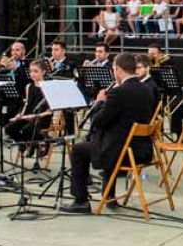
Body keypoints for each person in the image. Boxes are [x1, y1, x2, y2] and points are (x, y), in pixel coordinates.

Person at [61, 54, 155, 214]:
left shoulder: (119, 92)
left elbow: (98, 121)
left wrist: (100, 102)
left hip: (121, 150)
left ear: (118, 69)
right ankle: (109, 195)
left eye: (113, 69)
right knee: (102, 141)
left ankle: (81, 201)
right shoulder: (146, 89)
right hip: (141, 148)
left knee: (78, 150)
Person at [5, 60, 53, 156]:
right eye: (31, 71)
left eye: (36, 71)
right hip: (29, 116)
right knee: (9, 128)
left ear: (43, 72)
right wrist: (20, 114)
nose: (32, 74)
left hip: (42, 118)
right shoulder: (28, 86)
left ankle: (44, 141)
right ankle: (25, 143)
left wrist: (36, 116)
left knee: (27, 129)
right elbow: (26, 104)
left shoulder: (49, 86)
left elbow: (49, 110)